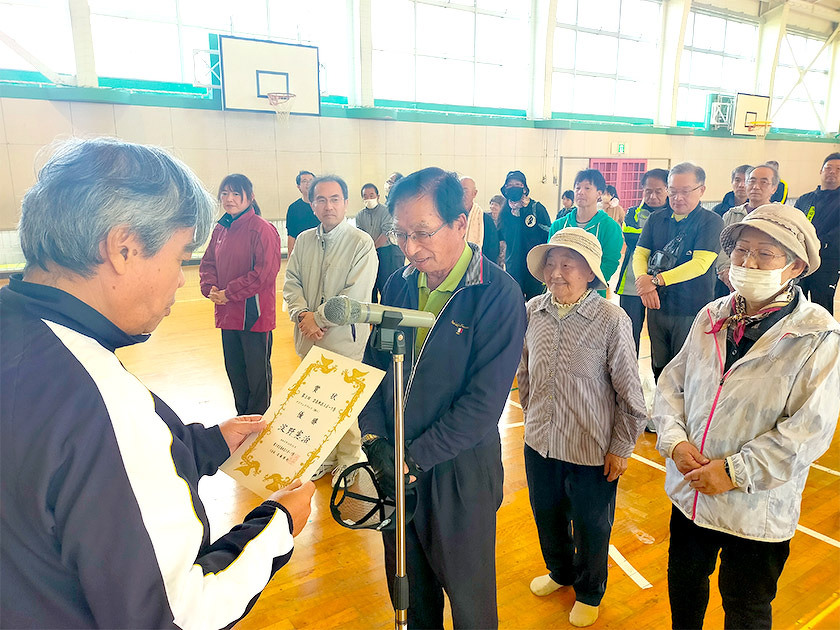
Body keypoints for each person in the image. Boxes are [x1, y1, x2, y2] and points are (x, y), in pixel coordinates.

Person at [0, 138, 315, 629]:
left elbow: (77, 476)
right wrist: (278, 523)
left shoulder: (20, 330)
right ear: (123, 248)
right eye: (178, 256)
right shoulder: (99, 403)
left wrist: (205, 445)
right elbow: (182, 612)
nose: (180, 279)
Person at [653, 203, 840, 630]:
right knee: (684, 586)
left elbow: (807, 432)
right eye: (740, 250)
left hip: (755, 509)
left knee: (747, 607)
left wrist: (735, 472)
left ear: (794, 266)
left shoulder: (817, 336)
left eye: (764, 254)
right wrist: (676, 442)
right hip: (691, 490)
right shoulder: (712, 316)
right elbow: (672, 386)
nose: (748, 261)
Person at [358, 167, 527, 629]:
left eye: (422, 233)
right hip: (393, 463)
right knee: (411, 596)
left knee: (470, 603)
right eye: (401, 234)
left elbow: (482, 405)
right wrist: (375, 441)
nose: (410, 248)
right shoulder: (397, 285)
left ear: (461, 222)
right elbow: (373, 372)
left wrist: (413, 459)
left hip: (458, 473)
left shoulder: (496, 295)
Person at [519, 228, 647, 628]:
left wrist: (621, 447)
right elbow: (525, 371)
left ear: (590, 272)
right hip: (539, 440)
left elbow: (630, 391)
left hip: (591, 448)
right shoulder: (532, 311)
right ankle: (560, 572)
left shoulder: (611, 319)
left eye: (567, 265)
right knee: (547, 514)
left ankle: (590, 590)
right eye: (551, 264)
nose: (557, 273)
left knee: (592, 524)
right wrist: (533, 414)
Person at [283, 175, 378, 486]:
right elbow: (291, 282)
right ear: (312, 205)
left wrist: (318, 319)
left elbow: (354, 296)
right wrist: (302, 315)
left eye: (335, 199)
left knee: (343, 404)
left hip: (343, 338)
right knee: (316, 402)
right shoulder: (305, 241)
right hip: (307, 337)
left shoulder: (361, 243)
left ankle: (352, 459)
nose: (328, 205)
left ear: (346, 203)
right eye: (321, 199)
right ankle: (324, 456)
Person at [200, 174, 282, 416]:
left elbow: (264, 273)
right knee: (235, 371)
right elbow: (208, 263)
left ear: (250, 197)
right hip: (228, 315)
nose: (229, 199)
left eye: (236, 193)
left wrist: (230, 293)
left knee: (257, 376)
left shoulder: (262, 229)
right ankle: (242, 420)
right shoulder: (221, 228)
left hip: (254, 316)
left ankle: (258, 423)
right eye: (225, 193)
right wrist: (211, 288)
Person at [634, 162, 724, 381]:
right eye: (672, 192)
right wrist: (643, 283)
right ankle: (661, 411)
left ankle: (683, 415)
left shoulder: (711, 222)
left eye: (685, 192)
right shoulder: (657, 219)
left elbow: (700, 263)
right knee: (659, 365)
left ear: (701, 190)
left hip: (690, 309)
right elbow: (640, 253)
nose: (678, 198)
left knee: (685, 369)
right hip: (657, 306)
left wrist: (655, 281)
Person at [615, 168, 670, 353]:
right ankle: (628, 376)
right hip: (632, 285)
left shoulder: (675, 216)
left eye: (658, 191)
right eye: (648, 191)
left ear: (668, 190)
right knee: (629, 335)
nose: (652, 196)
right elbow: (631, 238)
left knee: (660, 337)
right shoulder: (632, 213)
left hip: (663, 286)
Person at [549, 169, 623, 298]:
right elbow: (550, 257)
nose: (580, 192)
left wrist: (584, 284)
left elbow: (610, 262)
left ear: (599, 193)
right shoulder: (559, 225)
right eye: (577, 188)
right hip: (561, 290)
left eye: (587, 188)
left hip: (593, 293)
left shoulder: (610, 227)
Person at [714, 164, 779, 298]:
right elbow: (721, 247)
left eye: (764, 182)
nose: (756, 186)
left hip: (764, 283)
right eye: (752, 181)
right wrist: (727, 272)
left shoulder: (780, 217)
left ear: (774, 188)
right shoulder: (731, 215)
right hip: (729, 282)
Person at [795, 152, 840, 314]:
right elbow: (794, 225)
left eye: (838, 169)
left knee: (821, 307)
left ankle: (823, 338)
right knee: (795, 302)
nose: (832, 172)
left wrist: (816, 245)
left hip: (827, 263)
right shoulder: (805, 199)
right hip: (800, 259)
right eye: (828, 168)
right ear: (821, 171)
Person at [498, 170, 553, 299]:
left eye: (518, 184)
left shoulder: (536, 208)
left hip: (535, 267)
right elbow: (500, 239)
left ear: (524, 188)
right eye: (510, 185)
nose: (513, 188)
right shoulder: (505, 212)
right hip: (513, 268)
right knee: (514, 304)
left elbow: (549, 236)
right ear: (505, 189)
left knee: (535, 304)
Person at [356, 182, 405, 302]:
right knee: (370, 285)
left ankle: (386, 315)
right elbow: (360, 234)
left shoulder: (386, 211)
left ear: (378, 196)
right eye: (365, 196)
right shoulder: (360, 215)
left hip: (385, 253)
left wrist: (372, 248)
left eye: (371, 195)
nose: (368, 198)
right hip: (367, 254)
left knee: (385, 285)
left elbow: (386, 233)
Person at [460, 175, 500, 266]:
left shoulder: (485, 220)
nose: (461, 194)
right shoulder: (449, 218)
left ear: (474, 193)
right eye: (459, 190)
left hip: (478, 271)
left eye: (465, 190)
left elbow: (493, 252)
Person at [286, 170, 318, 256]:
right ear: (298, 186)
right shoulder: (293, 208)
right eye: (304, 181)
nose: (308, 183)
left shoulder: (321, 205)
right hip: (302, 251)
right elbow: (291, 235)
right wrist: (290, 257)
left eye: (311, 181)